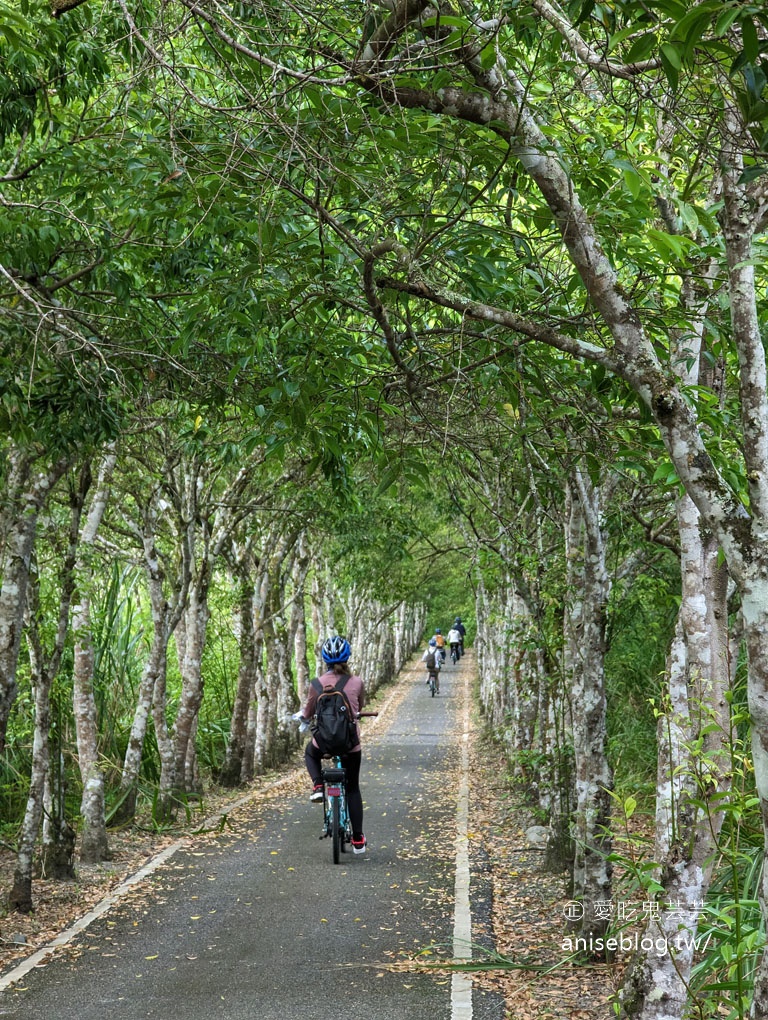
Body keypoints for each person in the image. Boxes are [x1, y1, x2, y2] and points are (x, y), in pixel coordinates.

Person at [297, 635, 367, 854]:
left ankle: (318, 785)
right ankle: (357, 839)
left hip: (324, 743)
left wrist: (303, 719)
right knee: (353, 787)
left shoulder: (316, 685)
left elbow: (307, 714)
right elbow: (359, 707)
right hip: (350, 744)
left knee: (310, 752)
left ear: (324, 659)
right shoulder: (356, 682)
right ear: (348, 657)